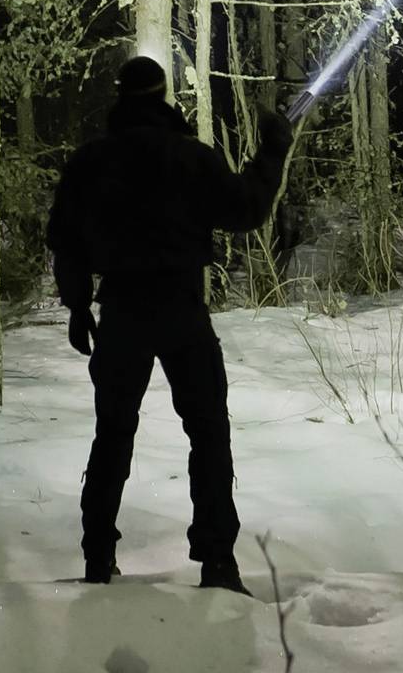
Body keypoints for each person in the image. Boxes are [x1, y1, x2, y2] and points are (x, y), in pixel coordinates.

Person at [46, 54, 293, 592]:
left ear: (120, 97)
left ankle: (97, 559)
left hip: (122, 313)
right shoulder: (190, 158)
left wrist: (79, 306)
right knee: (208, 432)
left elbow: (66, 241)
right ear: (162, 97)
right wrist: (272, 150)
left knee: (112, 433)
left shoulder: (92, 161)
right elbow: (247, 208)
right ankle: (217, 563)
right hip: (181, 309)